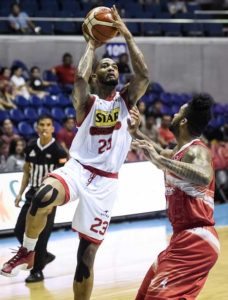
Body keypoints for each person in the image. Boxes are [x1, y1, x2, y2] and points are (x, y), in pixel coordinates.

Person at [1, 5, 149, 300]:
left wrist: (127, 34)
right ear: (95, 75)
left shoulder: (125, 101)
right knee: (41, 197)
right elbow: (79, 80)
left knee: (86, 258)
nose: (111, 68)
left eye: (114, 67)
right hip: (79, 168)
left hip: (106, 182)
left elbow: (143, 74)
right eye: (105, 66)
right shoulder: (87, 103)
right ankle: (29, 252)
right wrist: (91, 45)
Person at [128, 94, 220, 299]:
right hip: (181, 238)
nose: (174, 114)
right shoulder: (180, 151)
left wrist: (160, 159)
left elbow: (204, 176)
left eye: (179, 112)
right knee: (143, 296)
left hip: (197, 238)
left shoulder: (197, 151)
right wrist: (136, 133)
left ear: (184, 121)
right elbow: (159, 151)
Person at [13, 115, 68, 283]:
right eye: (42, 125)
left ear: (53, 128)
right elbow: (27, 171)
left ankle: (37, 271)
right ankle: (43, 256)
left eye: (48, 125)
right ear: (37, 128)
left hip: (49, 197)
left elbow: (63, 176)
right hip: (32, 194)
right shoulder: (30, 146)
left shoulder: (58, 150)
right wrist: (20, 193)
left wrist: (55, 201)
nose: (45, 128)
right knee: (19, 229)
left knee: (42, 235)